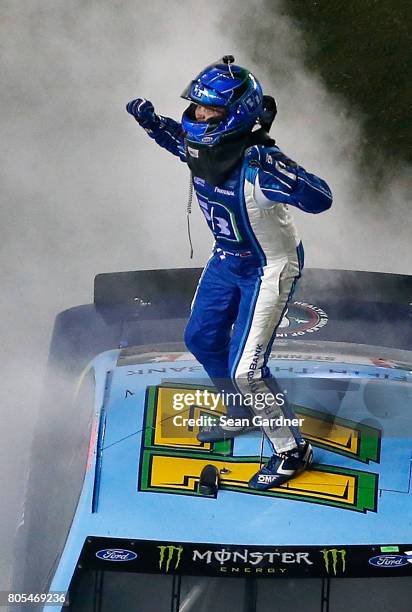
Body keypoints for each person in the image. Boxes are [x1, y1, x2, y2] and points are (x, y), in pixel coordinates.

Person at [126, 57, 332, 490]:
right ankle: (241, 411)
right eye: (197, 107)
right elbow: (178, 141)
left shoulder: (258, 165)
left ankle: (293, 451)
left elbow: (320, 199)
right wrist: (150, 123)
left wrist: (280, 169)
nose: (199, 116)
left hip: (268, 268)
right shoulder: (204, 149)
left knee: (247, 370)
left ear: (236, 113)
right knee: (200, 338)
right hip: (227, 259)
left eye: (211, 110)